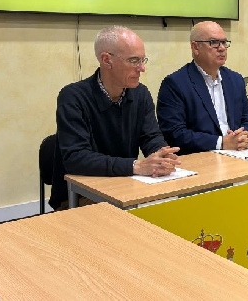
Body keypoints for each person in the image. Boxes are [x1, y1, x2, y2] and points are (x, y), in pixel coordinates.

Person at [49, 26, 180, 210]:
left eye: (143, 60)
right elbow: (76, 158)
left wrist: (163, 155)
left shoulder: (140, 93)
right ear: (106, 60)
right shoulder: (73, 97)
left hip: (125, 188)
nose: (142, 68)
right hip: (79, 195)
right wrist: (136, 166)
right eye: (134, 60)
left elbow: (150, 136)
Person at [156, 21, 248, 155]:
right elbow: (175, 134)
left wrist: (245, 136)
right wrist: (221, 143)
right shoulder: (175, 84)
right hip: (201, 157)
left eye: (224, 42)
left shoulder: (235, 80)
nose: (222, 48)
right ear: (195, 47)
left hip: (239, 153)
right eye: (214, 42)